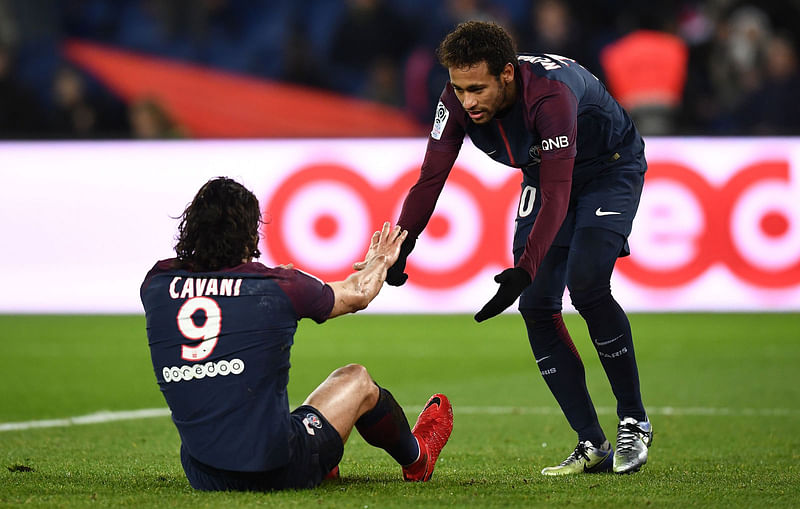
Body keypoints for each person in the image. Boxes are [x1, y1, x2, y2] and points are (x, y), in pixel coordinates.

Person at [388, 21, 651, 475]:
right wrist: (402, 244)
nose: (466, 101)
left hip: (609, 169)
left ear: (507, 74)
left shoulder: (550, 97)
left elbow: (557, 197)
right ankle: (591, 442)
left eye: (477, 88)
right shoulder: (454, 102)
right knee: (536, 306)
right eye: (457, 88)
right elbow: (430, 178)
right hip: (546, 175)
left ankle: (634, 421)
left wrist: (526, 266)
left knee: (587, 283)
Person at [140, 177, 453, 491]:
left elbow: (223, 300)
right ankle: (417, 457)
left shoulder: (156, 284)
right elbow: (358, 293)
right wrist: (381, 260)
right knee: (356, 380)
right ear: (250, 234)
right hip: (277, 470)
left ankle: (324, 461)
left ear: (191, 227)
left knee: (234, 402)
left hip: (202, 474)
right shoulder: (277, 288)